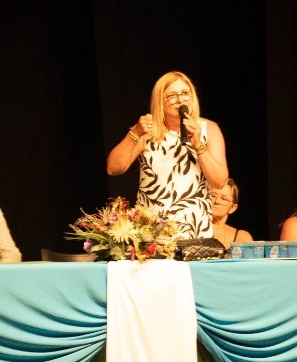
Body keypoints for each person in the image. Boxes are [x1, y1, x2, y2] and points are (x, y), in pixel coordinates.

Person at [105, 70, 229, 239]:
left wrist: (198, 145)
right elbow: (113, 168)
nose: (180, 99)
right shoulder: (147, 130)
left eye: (185, 93)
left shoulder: (209, 129)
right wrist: (135, 133)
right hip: (152, 234)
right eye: (172, 95)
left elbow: (220, 181)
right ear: (160, 102)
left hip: (194, 231)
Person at [209, 178, 254, 251]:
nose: (217, 201)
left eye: (224, 199)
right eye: (213, 196)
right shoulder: (193, 230)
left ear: (233, 208)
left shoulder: (242, 237)